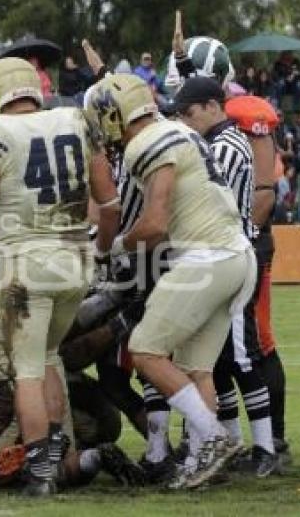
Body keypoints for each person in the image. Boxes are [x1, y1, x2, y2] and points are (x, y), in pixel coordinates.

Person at [0, 58, 120, 496]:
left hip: (26, 262)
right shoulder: (75, 119)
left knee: (26, 369)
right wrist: (101, 250)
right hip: (75, 261)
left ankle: (40, 470)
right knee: (47, 358)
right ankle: (57, 454)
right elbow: (109, 204)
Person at [84, 73, 257, 489]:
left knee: (145, 350)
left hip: (206, 258)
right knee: (197, 369)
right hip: (237, 256)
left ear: (112, 115)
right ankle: (200, 458)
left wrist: (110, 248)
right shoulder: (177, 130)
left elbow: (155, 225)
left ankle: (212, 438)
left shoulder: (146, 143)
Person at [175, 77, 277, 477]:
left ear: (211, 106)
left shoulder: (224, 146)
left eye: (189, 113)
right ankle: (234, 443)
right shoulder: (227, 141)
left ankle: (265, 448)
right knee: (216, 359)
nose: (186, 121)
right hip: (221, 256)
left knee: (239, 355)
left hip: (230, 257)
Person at [225, 94, 291, 465]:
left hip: (248, 243)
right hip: (238, 242)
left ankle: (274, 439)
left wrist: (240, 236)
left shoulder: (248, 114)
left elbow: (263, 195)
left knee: (257, 342)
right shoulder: (229, 112)